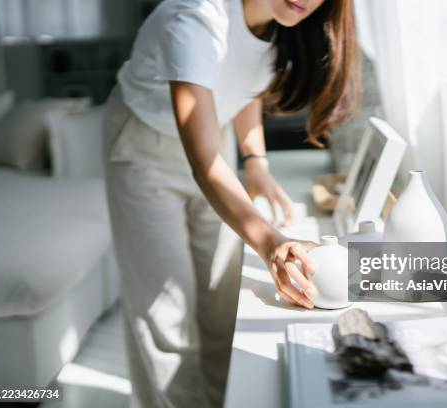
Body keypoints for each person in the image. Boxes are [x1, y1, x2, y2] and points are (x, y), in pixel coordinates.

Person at [104, 0, 360, 406]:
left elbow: (244, 85)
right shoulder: (194, 19)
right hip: (145, 145)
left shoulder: (281, 21)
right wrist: (270, 241)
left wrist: (255, 161)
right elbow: (204, 163)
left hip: (214, 140)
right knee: (165, 310)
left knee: (221, 294)